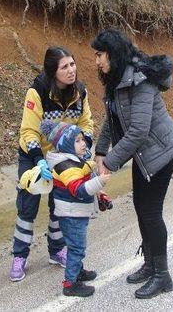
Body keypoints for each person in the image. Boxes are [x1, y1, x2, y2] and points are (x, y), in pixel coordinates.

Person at [91, 29, 173, 299]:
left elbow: (139, 130)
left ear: (113, 53)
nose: (97, 61)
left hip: (162, 151)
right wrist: (100, 150)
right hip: (143, 153)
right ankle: (150, 263)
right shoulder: (118, 79)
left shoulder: (140, 80)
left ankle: (162, 275)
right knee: (140, 207)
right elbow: (112, 120)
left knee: (151, 211)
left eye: (100, 55)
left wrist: (110, 161)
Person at [9, 46, 94, 282]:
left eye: (73, 64)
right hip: (33, 155)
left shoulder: (80, 92)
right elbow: (28, 131)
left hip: (62, 157)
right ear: (52, 72)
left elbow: (87, 123)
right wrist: (38, 161)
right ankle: (19, 256)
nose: (71, 70)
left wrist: (83, 144)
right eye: (64, 67)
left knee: (60, 204)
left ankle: (57, 250)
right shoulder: (37, 92)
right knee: (27, 206)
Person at [40, 119, 111, 297]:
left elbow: (87, 180)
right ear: (65, 145)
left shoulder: (76, 161)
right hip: (71, 214)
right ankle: (70, 283)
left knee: (76, 245)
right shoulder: (66, 166)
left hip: (77, 212)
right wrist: (99, 181)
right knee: (76, 247)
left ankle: (78, 272)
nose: (83, 143)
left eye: (82, 139)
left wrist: (100, 192)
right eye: (77, 140)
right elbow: (79, 190)